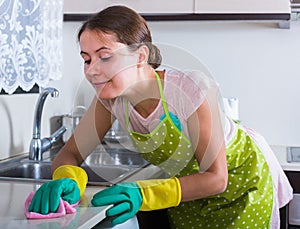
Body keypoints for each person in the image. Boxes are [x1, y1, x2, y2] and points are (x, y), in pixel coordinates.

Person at [28, 5, 293, 229]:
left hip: (239, 185)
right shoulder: (110, 101)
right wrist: (67, 178)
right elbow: (70, 153)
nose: (92, 71)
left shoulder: (189, 89)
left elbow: (216, 177)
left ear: (140, 56)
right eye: (87, 59)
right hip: (188, 193)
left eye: (105, 57)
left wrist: (144, 194)